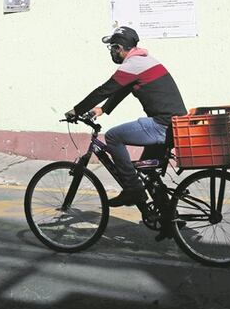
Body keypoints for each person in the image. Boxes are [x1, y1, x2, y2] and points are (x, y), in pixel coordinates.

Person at [66, 26, 187, 207]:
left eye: (113, 48)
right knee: (148, 170)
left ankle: (133, 189)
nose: (112, 52)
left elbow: (104, 90)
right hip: (173, 124)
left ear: (120, 48)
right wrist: (104, 109)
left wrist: (76, 110)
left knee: (113, 136)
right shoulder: (144, 60)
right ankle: (168, 218)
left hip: (162, 125)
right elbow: (125, 88)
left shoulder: (134, 64)